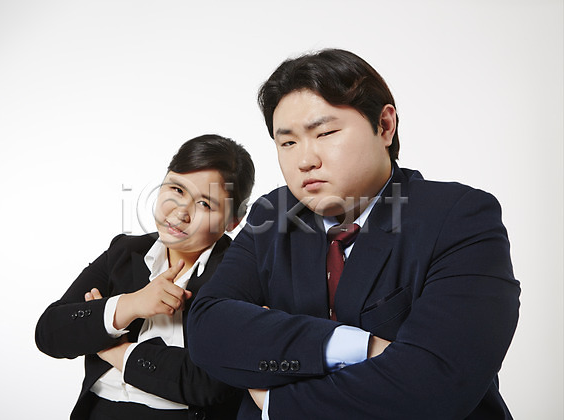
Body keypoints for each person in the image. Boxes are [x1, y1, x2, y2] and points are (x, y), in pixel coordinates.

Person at [187, 49, 520, 419]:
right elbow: (206, 330)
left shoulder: (459, 216)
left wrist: (276, 400)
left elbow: (436, 384)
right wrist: (361, 346)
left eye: (326, 133)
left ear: (385, 126)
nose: (305, 160)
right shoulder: (273, 214)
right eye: (288, 143)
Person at [35, 134, 255, 420]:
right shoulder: (125, 251)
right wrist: (131, 305)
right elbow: (50, 332)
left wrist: (115, 350)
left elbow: (209, 383)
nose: (181, 212)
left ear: (234, 219)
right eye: (176, 189)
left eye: (205, 204)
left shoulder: (241, 273)